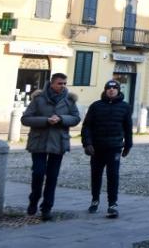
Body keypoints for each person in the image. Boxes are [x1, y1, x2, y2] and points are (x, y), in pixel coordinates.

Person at [21, 73, 80, 220]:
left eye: (65, 83)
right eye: (60, 83)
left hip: (58, 142)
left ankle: (47, 208)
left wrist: (61, 119)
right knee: (38, 173)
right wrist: (46, 121)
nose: (63, 86)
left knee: (52, 176)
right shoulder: (39, 99)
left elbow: (76, 118)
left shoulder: (69, 100)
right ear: (52, 83)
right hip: (39, 141)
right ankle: (33, 201)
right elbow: (26, 118)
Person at [81, 80, 133, 218]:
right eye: (109, 88)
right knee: (96, 175)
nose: (111, 90)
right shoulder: (95, 106)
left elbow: (128, 128)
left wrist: (128, 145)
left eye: (114, 88)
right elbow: (87, 126)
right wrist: (87, 143)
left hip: (114, 147)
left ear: (118, 90)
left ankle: (112, 204)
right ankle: (95, 200)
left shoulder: (125, 107)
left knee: (113, 176)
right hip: (97, 147)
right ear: (105, 90)